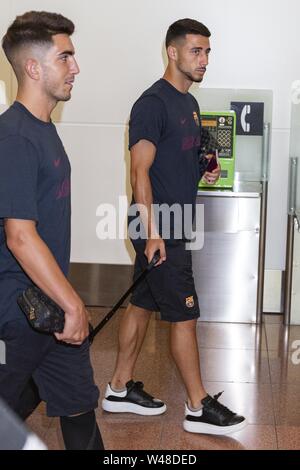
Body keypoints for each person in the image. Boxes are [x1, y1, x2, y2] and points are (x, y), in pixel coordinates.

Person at [102, 18, 247, 435]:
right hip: (159, 225)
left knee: (144, 302)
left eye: (207, 52)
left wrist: (208, 167)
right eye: (196, 51)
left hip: (175, 221)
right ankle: (199, 405)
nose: (203, 60)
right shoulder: (152, 103)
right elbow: (140, 173)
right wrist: (152, 233)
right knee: (185, 314)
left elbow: (182, 159)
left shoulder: (189, 103)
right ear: (172, 51)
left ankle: (117, 387)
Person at [0, 11, 103, 450]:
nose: (75, 68)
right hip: (18, 312)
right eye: (66, 57)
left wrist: (65, 301)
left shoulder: (44, 130)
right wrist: (73, 303)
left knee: (79, 404)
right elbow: (20, 236)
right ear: (33, 67)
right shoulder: (15, 138)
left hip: (50, 307)